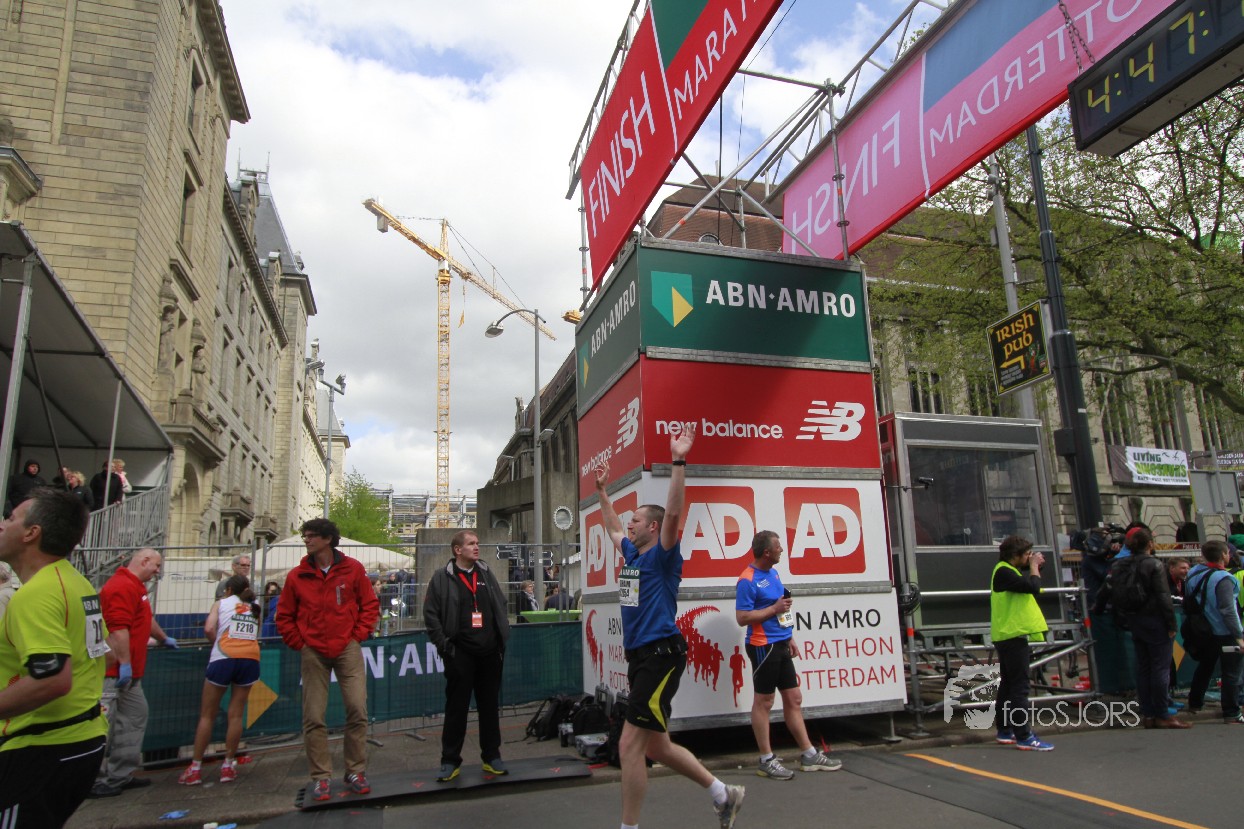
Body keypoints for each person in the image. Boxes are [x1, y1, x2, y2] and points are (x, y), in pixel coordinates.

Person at [593, 428, 746, 829]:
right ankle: (723, 794)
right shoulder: (632, 554)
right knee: (657, 747)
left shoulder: (662, 556)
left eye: (636, 520)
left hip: (660, 655)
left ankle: (628, 827)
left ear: (653, 527)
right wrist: (603, 492)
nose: (629, 524)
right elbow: (612, 527)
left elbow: (675, 513)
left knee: (629, 745)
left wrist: (678, 460)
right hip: (641, 658)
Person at [0, 489, 105, 828]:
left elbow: (53, 679)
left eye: (11, 518)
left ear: (32, 533)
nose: (2, 524)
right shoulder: (75, 582)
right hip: (79, 740)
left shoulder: (36, 594)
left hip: (42, 746)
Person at [276, 518, 379, 802]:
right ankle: (321, 777)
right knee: (313, 716)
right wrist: (300, 643)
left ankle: (355, 771)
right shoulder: (297, 576)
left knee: (357, 708)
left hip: (346, 647)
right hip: (313, 650)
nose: (306, 540)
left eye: (312, 536)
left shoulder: (352, 569)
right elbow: (284, 615)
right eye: (305, 536)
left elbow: (369, 604)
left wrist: (357, 635)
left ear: (327, 539)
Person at [735, 530, 841, 779]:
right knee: (764, 702)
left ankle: (809, 754)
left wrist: (789, 636)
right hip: (762, 646)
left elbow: (782, 606)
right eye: (778, 547)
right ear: (766, 552)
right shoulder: (747, 580)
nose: (782, 550)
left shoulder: (773, 573)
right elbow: (742, 617)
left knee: (794, 698)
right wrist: (774, 608)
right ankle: (766, 759)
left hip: (780, 642)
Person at [90, 548, 179, 797]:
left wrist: (162, 638)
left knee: (135, 718)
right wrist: (124, 663)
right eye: (157, 566)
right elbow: (118, 628)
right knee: (103, 727)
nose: (158, 571)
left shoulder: (135, 587)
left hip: (129, 675)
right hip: (114, 673)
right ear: (144, 561)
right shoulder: (121, 586)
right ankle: (94, 780)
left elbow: (145, 619)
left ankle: (119, 775)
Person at [424, 530, 511, 782]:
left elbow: (500, 604)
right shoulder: (442, 577)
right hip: (460, 654)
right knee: (457, 708)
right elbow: (431, 614)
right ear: (457, 549)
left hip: (489, 653)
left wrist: (500, 639)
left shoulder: (485, 573)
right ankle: (450, 760)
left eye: (477, 543)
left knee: (489, 707)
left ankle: (492, 756)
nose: (476, 547)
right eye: (471, 543)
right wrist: (445, 646)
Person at [1095, 527, 1189, 729]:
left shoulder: (1118, 564)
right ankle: (1162, 713)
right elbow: (1163, 596)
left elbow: (1106, 589)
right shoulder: (1154, 564)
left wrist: (1098, 609)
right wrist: (1171, 624)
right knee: (1160, 668)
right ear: (1150, 544)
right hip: (1155, 619)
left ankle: (1148, 713)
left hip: (1133, 618)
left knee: (1144, 667)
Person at [180, 575, 262, 785]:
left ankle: (195, 768)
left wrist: (215, 641)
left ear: (228, 590)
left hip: (223, 657)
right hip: (249, 659)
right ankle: (228, 766)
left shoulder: (221, 603)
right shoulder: (255, 607)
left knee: (207, 715)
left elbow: (209, 628)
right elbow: (257, 632)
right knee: (236, 715)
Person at [990, 535, 1054, 750]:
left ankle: (1005, 730)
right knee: (1020, 686)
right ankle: (1024, 735)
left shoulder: (1005, 570)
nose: (1029, 558)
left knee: (1008, 685)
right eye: (1026, 554)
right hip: (1013, 634)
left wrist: (1035, 565)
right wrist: (1034, 567)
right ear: (1015, 555)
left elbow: (1028, 580)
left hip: (1007, 634)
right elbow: (1033, 586)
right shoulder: (1004, 572)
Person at [1184, 540, 1244, 723]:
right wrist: (1239, 636)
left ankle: (1195, 702)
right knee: (1232, 673)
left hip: (1202, 629)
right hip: (1223, 631)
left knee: (1205, 666)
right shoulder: (1223, 578)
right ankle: (1232, 712)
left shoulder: (1194, 572)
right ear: (1224, 555)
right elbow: (1228, 610)